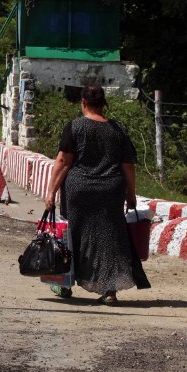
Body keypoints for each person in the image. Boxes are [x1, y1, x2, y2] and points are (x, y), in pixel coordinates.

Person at [44, 84, 150, 305]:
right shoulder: (117, 129)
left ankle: (64, 284)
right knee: (109, 238)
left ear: (83, 103)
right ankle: (109, 290)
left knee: (73, 237)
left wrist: (51, 192)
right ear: (103, 104)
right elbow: (128, 166)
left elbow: (63, 162)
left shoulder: (75, 127)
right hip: (111, 191)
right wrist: (131, 195)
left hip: (79, 190)